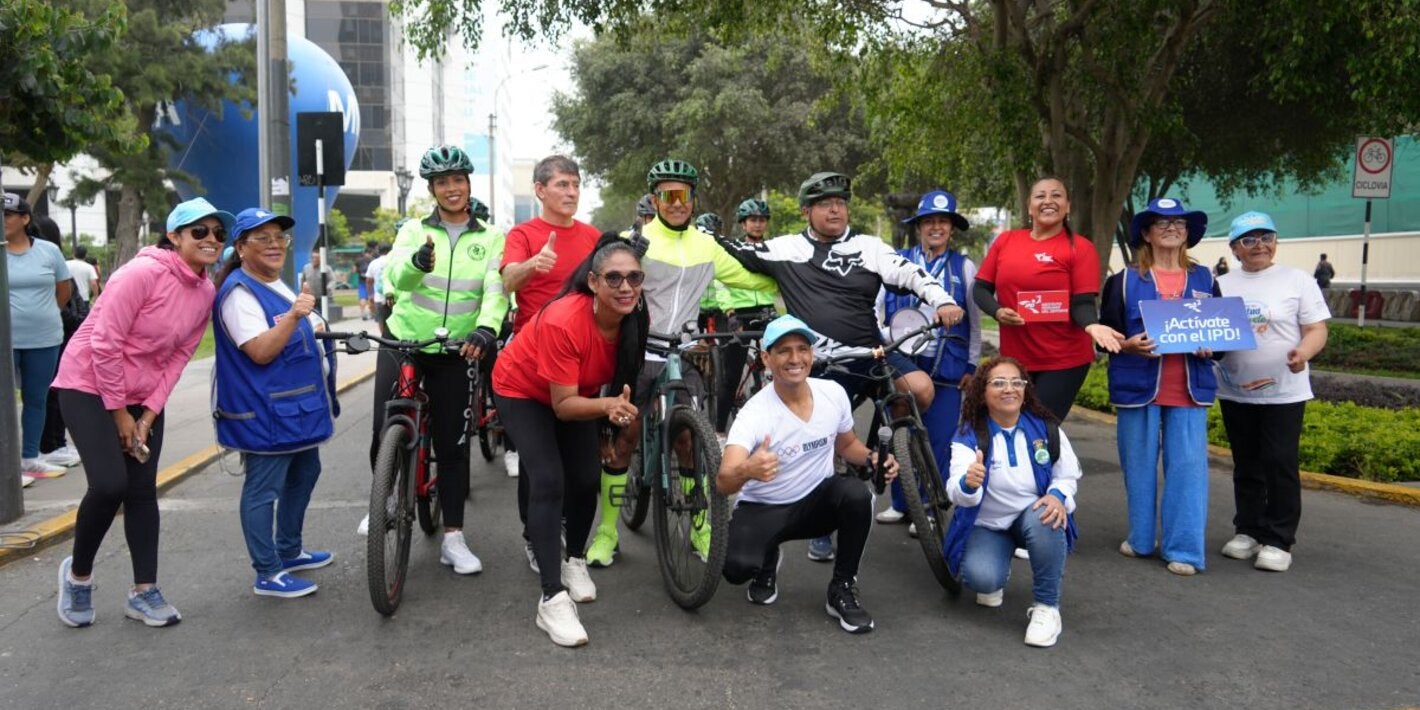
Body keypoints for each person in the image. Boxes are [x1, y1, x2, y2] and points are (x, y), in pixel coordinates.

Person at [714, 171, 965, 562]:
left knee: (919, 389)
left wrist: (943, 301)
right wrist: (700, 231)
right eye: (825, 203)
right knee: (825, 437)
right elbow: (729, 250)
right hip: (823, 363)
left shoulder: (869, 246)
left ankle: (893, 442)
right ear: (806, 211)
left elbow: (913, 273)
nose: (835, 209)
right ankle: (826, 516)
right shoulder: (785, 249)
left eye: (841, 202)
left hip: (871, 353)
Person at [585, 158, 776, 568]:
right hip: (638, 355)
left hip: (683, 353)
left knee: (690, 441)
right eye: (668, 195)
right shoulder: (632, 240)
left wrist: (801, 280)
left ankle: (701, 528)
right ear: (655, 199)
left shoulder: (706, 245)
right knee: (624, 438)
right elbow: (594, 282)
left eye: (684, 194)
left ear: (693, 199)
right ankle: (606, 532)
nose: (676, 202)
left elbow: (750, 278)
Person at [52, 197, 229, 628]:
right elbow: (105, 344)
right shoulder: (141, 273)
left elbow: (180, 355)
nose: (211, 240)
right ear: (174, 236)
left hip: (143, 395)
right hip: (87, 385)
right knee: (110, 483)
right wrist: (120, 415)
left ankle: (144, 591)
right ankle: (77, 577)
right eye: (199, 232)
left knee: (142, 490)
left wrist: (148, 414)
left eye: (219, 234)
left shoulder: (206, 290)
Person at [493, 234, 648, 647]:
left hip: (578, 395)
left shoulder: (633, 315)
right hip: (522, 390)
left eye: (634, 277)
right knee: (549, 481)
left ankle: (573, 559)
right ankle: (551, 598)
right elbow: (563, 407)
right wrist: (606, 407)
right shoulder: (566, 319)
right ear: (593, 282)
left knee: (584, 480)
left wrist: (608, 419)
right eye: (614, 278)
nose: (626, 287)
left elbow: (615, 381)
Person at [362, 144, 508, 576]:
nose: (451, 188)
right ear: (432, 189)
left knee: (452, 444)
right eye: (442, 182)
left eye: (458, 180)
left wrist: (487, 329)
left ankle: (454, 538)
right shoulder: (412, 230)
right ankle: (386, 501)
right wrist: (417, 262)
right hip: (406, 341)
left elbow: (495, 291)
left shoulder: (491, 237)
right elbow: (396, 278)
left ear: (467, 184)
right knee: (384, 426)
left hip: (457, 349)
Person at [719, 315, 897, 634]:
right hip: (764, 509)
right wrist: (748, 469)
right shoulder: (754, 414)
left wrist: (873, 457)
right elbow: (724, 480)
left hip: (816, 503)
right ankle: (766, 562)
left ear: (812, 356)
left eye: (803, 349)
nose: (795, 358)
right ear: (766, 358)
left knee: (857, 495)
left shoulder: (832, 393)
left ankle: (842, 588)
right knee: (735, 569)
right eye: (784, 351)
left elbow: (848, 445)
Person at [212, 208, 340, 598]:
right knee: (263, 490)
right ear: (240, 247)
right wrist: (294, 317)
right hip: (265, 413)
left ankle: (289, 551)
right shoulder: (239, 292)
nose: (274, 244)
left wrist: (310, 323)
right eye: (261, 237)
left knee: (305, 473)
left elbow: (296, 325)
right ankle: (267, 572)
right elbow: (262, 351)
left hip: (295, 411)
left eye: (278, 237)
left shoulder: (276, 283)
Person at [1100, 198, 1221, 576]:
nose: (1172, 228)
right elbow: (1106, 336)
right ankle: (1140, 539)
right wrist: (1126, 344)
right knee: (1138, 467)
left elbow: (1222, 334)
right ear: (1147, 234)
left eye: (1180, 223)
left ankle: (1184, 550)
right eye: (1162, 223)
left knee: (1188, 470)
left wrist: (1211, 345)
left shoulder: (1206, 280)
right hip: (1138, 388)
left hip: (1189, 390)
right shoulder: (1122, 282)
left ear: (1188, 234)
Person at [500, 155, 602, 568]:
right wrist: (532, 265)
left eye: (575, 184)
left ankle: (566, 538)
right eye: (561, 184)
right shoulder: (524, 234)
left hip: (581, 362)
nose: (571, 192)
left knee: (580, 472)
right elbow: (507, 280)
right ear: (540, 190)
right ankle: (535, 535)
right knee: (540, 467)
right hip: (532, 363)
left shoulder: (593, 236)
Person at [1216, 211, 1329, 573]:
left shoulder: (1297, 280)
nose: (1259, 245)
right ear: (1235, 248)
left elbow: (1316, 329)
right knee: (1246, 464)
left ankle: (1279, 538)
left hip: (1285, 392)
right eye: (1248, 240)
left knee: (1279, 462)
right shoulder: (1222, 284)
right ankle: (1248, 529)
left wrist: (1304, 353)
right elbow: (1210, 331)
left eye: (1266, 237)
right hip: (1235, 391)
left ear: (1275, 242)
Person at [944, 356, 1080, 648]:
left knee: (1049, 513)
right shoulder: (969, 436)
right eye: (998, 383)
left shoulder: (1047, 428)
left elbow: (1067, 474)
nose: (1009, 389)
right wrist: (969, 483)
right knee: (981, 580)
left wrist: (1057, 495)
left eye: (1016, 382)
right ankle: (998, 563)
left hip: (1031, 517)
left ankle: (1047, 608)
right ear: (982, 392)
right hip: (988, 525)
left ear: (1025, 389)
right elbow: (954, 492)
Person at [972, 177, 1122, 422]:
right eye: (1040, 196)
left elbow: (1082, 302)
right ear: (1030, 206)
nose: (1048, 201)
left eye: (1056, 195)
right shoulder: (1006, 241)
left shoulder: (1080, 248)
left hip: (1063, 359)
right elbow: (980, 289)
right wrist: (998, 311)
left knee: (1038, 429)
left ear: (1068, 206)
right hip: (1015, 359)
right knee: (1008, 426)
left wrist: (1091, 325)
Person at [875, 190, 982, 527]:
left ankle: (929, 506)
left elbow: (976, 322)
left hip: (947, 365)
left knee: (939, 438)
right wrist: (887, 340)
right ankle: (901, 502)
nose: (936, 227)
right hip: (903, 360)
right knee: (897, 431)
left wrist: (971, 365)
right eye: (929, 222)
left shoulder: (963, 266)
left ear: (951, 228)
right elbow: (875, 311)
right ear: (919, 226)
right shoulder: (897, 260)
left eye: (943, 222)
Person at [5, 193, 72, 482]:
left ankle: (30, 457)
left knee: (36, 398)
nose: (3, 220)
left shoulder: (48, 251)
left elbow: (63, 289)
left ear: (24, 218)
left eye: (7, 214)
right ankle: (5, 465)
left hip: (45, 337)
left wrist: (45, 313)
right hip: (6, 340)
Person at [711, 198, 780, 434]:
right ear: (743, 224)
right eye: (753, 220)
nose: (758, 224)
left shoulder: (773, 250)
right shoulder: (732, 250)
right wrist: (730, 313)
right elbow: (720, 283)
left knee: (785, 365)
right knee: (730, 377)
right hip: (739, 314)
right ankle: (719, 430)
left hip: (767, 310)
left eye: (762, 220)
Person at [30, 215, 85, 470]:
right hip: (55, 335)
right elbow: (65, 304)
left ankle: (53, 442)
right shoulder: (47, 262)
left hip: (60, 334)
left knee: (50, 394)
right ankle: (48, 446)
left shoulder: (52, 261)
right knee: (47, 395)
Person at [364, 243, 393, 335]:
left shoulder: (374, 263)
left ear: (379, 251)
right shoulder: (394, 261)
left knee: (381, 321)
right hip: (394, 297)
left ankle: (384, 339)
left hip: (379, 298)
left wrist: (370, 295)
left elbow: (369, 281)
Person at [355, 240, 377, 320]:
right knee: (372, 296)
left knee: (362, 298)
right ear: (371, 253)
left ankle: (363, 313)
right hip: (372, 281)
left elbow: (354, 270)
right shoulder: (374, 260)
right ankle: (372, 313)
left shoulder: (359, 260)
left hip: (361, 282)